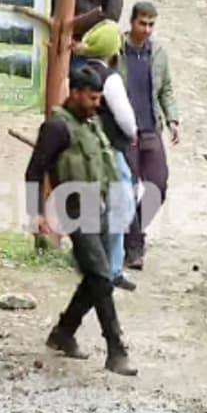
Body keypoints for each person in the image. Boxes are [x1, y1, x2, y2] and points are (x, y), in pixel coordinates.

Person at [25, 66, 138, 377]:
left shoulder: (92, 123)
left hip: (98, 207)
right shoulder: (57, 128)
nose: (97, 103)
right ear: (74, 93)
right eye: (91, 97)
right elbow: (34, 171)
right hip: (73, 210)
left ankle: (63, 332)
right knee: (102, 276)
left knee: (94, 278)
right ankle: (116, 349)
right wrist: (35, 214)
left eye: (99, 97)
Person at [75, 19, 137, 291]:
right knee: (120, 205)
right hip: (110, 149)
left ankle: (85, 259)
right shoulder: (110, 79)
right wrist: (132, 134)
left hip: (85, 148)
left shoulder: (80, 73)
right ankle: (111, 268)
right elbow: (126, 118)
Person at [117, 2, 179, 270]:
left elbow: (166, 89)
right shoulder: (116, 51)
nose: (147, 29)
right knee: (127, 189)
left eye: (152, 24)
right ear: (131, 22)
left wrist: (173, 118)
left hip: (151, 128)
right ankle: (133, 247)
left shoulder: (158, 53)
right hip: (123, 131)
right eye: (142, 23)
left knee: (158, 185)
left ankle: (135, 233)